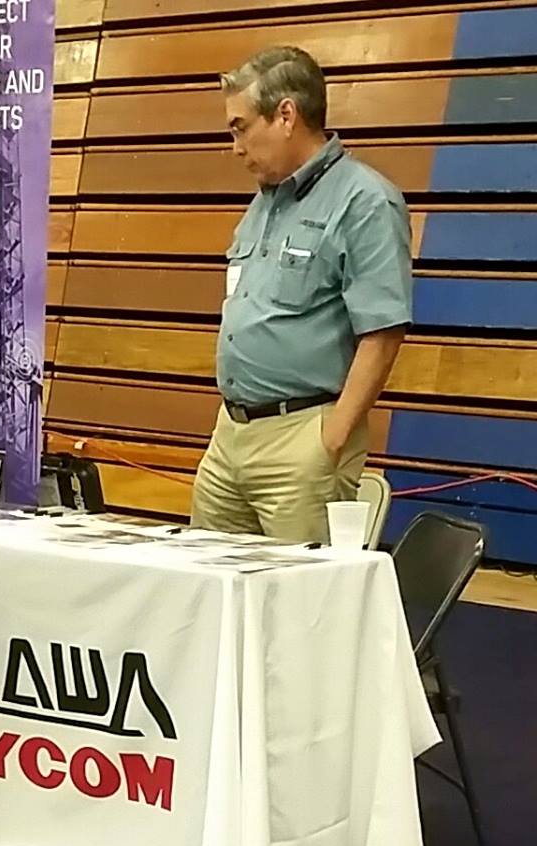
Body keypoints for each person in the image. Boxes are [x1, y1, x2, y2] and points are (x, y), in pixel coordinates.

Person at [191, 46, 412, 544]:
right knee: (205, 580)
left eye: (240, 127)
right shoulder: (264, 202)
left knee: (299, 591)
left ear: (286, 115)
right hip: (230, 434)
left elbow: (383, 331)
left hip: (303, 439)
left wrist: (330, 441)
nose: (235, 147)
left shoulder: (365, 201)